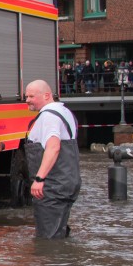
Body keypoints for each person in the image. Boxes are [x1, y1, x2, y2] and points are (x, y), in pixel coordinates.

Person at [24, 80, 80, 239]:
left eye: (31, 96)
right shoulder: (64, 112)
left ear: (47, 95)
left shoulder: (48, 116)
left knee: (48, 239)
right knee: (59, 231)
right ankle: (64, 260)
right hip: (67, 181)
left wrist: (39, 178)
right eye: (26, 96)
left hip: (52, 185)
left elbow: (53, 147)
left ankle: (53, 262)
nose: (27, 100)